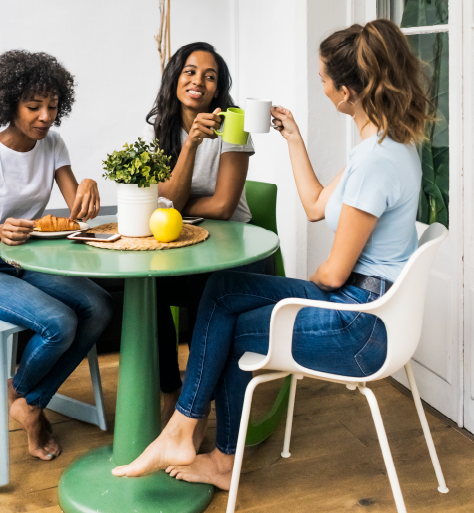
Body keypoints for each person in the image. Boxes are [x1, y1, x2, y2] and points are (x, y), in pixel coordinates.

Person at [112, 19, 432, 489]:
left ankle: (212, 452)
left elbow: (331, 274)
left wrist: (292, 292)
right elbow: (316, 205)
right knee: (221, 292)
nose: (320, 87)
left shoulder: (376, 161)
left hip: (360, 322)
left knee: (234, 324)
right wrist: (294, 139)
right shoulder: (383, 145)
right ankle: (184, 431)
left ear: (346, 91)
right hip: (366, 305)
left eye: (323, 79)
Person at [0, 50, 113, 461]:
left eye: (53, 107)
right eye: (33, 106)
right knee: (59, 322)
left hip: (25, 261)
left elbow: (78, 217)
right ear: (9, 104)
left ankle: (25, 397)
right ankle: (32, 406)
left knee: (100, 305)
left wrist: (88, 184)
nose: (45, 117)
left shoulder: (53, 144)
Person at [143, 42, 262, 439]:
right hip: (179, 239)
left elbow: (225, 205)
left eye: (210, 77)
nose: (198, 81)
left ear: (217, 89)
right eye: (190, 71)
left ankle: (198, 402)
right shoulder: (161, 126)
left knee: (204, 290)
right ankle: (170, 390)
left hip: (232, 248)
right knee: (147, 289)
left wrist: (174, 202)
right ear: (175, 77)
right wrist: (190, 143)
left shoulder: (234, 123)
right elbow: (167, 203)